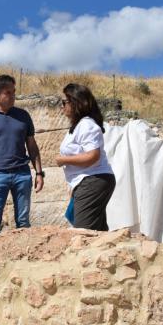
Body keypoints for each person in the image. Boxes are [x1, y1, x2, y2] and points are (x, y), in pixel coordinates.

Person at [0, 74, 44, 242]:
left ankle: (24, 255)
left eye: (13, 92)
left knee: (23, 222)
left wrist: (39, 173)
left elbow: (32, 146)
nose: (12, 96)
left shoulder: (23, 116)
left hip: (22, 174)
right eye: (7, 93)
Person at [56, 83, 116, 231]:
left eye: (64, 102)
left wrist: (63, 160)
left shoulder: (87, 125)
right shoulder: (79, 126)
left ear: (75, 102)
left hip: (93, 180)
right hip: (88, 181)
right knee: (97, 231)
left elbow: (93, 156)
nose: (61, 106)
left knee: (84, 232)